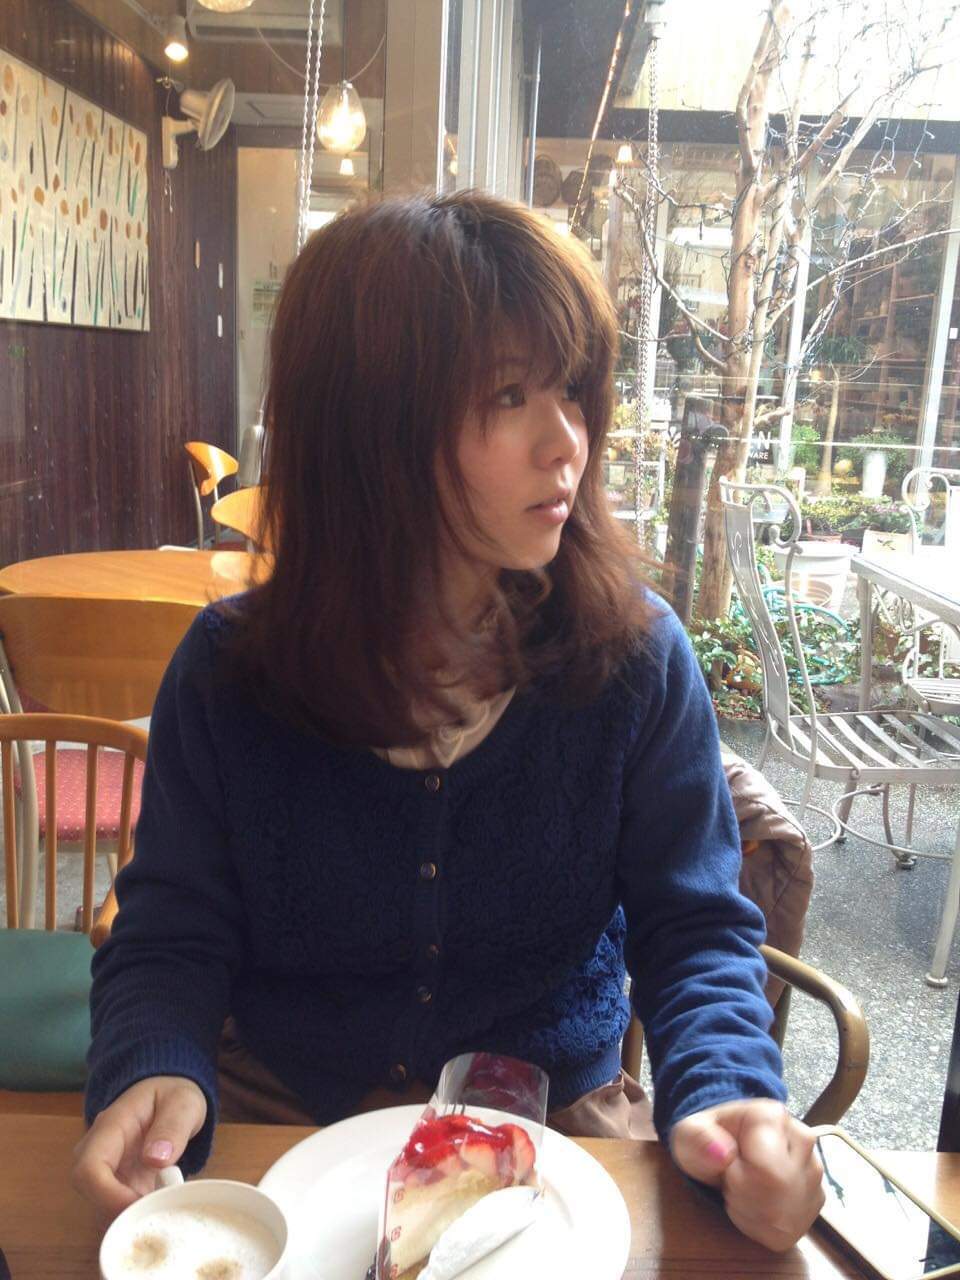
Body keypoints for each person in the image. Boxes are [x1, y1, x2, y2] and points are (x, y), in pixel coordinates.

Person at [73, 191, 823, 1251]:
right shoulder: (232, 673)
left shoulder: (632, 658)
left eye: (572, 389)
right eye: (510, 394)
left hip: (555, 1139)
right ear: (371, 428)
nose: (568, 441)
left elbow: (695, 928)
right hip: (282, 1121)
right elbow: (172, 928)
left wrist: (731, 1090)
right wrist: (152, 1065)